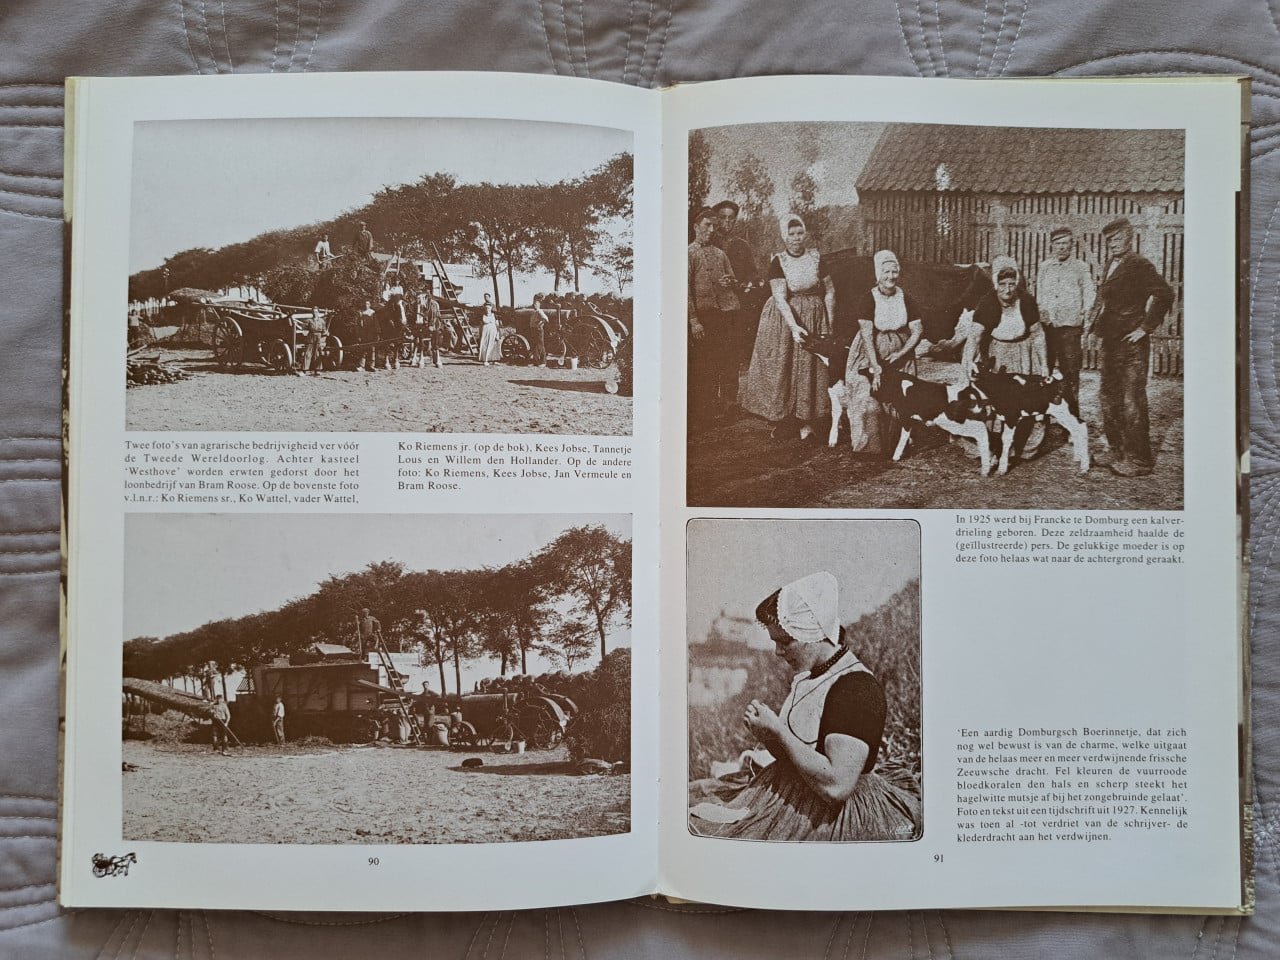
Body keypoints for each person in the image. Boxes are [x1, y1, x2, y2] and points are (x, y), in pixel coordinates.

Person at [689, 572, 921, 842]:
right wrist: (769, 736)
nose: (777, 651)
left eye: (785, 642)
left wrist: (779, 731)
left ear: (813, 634)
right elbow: (801, 755)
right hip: (800, 791)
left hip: (833, 813)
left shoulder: (856, 689)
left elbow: (837, 786)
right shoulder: (814, 676)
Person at [740, 213, 836, 441]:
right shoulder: (779, 262)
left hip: (815, 313)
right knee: (785, 367)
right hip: (785, 319)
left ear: (805, 234)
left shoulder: (816, 258)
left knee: (812, 368)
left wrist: (829, 323)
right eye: (791, 234)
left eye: (799, 233)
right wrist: (794, 326)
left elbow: (830, 290)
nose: (796, 238)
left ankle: (808, 421)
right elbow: (780, 298)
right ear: (784, 236)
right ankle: (785, 420)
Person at [1092, 217, 1175, 477]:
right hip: (1111, 342)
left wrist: (1145, 328)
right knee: (1109, 398)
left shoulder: (1139, 264)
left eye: (1117, 239)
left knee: (1132, 401)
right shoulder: (1110, 264)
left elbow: (1165, 294)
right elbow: (1105, 303)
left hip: (1131, 345)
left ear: (1129, 238)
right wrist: (1095, 330)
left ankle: (1139, 460)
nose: (1112, 244)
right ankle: (1117, 450)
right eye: (1109, 241)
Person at [842, 249, 924, 453]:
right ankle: (870, 445)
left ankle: (899, 440)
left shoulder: (906, 298)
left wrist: (902, 353)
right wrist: (876, 366)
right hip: (870, 351)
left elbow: (917, 330)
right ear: (878, 273)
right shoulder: (868, 299)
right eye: (886, 272)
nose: (891, 276)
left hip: (900, 349)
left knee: (902, 393)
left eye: (894, 271)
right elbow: (867, 335)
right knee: (868, 393)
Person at [687, 208, 741, 423]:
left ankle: (728, 407)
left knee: (727, 361)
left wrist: (731, 282)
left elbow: (734, 281)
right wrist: (693, 321)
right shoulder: (689, 254)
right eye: (707, 225)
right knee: (706, 364)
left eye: (713, 226)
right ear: (695, 227)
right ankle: (707, 410)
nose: (711, 230)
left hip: (727, 314)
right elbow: (685, 291)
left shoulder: (720, 254)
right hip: (704, 317)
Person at [1036, 227, 1095, 417]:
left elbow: (1089, 294)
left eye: (1065, 243)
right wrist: (1041, 312)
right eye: (1058, 244)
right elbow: (1039, 293)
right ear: (1052, 245)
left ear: (1072, 246)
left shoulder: (1081, 267)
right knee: (1043, 371)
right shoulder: (1044, 267)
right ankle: (1042, 417)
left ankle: (1072, 418)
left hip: (1070, 329)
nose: (1062, 248)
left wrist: (1085, 316)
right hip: (1048, 327)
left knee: (1070, 373)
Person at [964, 255, 1048, 378]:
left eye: (1011, 284)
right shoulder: (987, 303)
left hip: (1023, 352)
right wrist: (968, 363)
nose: (1007, 290)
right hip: (997, 353)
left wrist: (1044, 366)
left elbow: (1038, 335)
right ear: (996, 284)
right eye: (1002, 284)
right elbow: (974, 337)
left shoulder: (1026, 301)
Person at [711, 199, 761, 371]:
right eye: (722, 217)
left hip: (736, 307)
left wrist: (742, 284)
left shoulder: (742, 246)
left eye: (731, 218)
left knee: (732, 355)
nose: (727, 221)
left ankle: (729, 397)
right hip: (712, 306)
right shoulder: (708, 244)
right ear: (716, 219)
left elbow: (753, 275)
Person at [296, 306, 327, 375]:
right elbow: (303, 328)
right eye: (313, 312)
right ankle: (305, 370)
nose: (314, 313)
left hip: (319, 337)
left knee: (317, 353)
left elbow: (324, 330)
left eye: (316, 312)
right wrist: (304, 332)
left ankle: (317, 370)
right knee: (308, 353)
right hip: (311, 336)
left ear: (318, 312)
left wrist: (324, 336)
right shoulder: (309, 320)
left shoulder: (322, 321)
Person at [477, 293, 502, 365]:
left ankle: (494, 359)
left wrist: (498, 333)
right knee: (485, 344)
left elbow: (497, 324)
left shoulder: (494, 314)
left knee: (494, 345)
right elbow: (481, 324)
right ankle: (485, 360)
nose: (487, 309)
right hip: (485, 331)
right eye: (486, 308)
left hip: (493, 330)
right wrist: (480, 332)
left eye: (488, 308)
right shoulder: (483, 315)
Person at [530, 294, 551, 365]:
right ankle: (536, 361)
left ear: (539, 305)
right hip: (534, 330)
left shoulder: (539, 311)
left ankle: (542, 362)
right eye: (533, 304)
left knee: (540, 345)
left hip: (538, 330)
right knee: (536, 345)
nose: (534, 305)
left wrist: (540, 323)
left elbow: (546, 319)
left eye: (535, 304)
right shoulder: (534, 312)